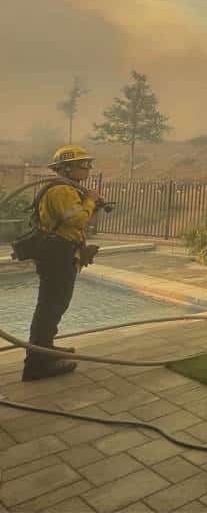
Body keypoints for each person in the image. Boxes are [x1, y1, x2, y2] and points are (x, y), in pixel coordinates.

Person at [22, 145, 105, 381]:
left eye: (88, 163)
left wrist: (91, 204)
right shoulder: (60, 190)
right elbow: (76, 219)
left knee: (55, 306)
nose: (88, 168)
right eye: (83, 164)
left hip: (62, 255)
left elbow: (75, 222)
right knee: (50, 308)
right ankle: (36, 364)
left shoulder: (67, 189)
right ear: (66, 168)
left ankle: (45, 348)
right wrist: (90, 200)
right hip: (57, 257)